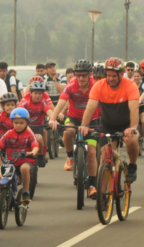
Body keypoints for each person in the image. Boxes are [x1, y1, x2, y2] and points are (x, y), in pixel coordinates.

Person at [80, 57, 139, 183]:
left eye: (114, 76)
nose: (110, 79)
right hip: (107, 125)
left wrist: (133, 127)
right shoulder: (99, 86)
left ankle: (133, 166)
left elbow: (134, 109)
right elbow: (90, 107)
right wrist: (84, 124)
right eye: (108, 75)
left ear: (121, 74)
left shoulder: (130, 85)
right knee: (105, 157)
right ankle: (102, 198)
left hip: (126, 124)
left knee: (132, 141)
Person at [49, 60, 101, 198]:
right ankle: (70, 156)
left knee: (91, 153)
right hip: (73, 117)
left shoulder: (95, 85)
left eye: (84, 75)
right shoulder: (71, 85)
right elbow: (61, 102)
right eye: (78, 75)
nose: (81, 78)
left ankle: (92, 185)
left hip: (92, 121)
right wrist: (52, 119)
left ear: (89, 74)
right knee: (68, 132)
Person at [0, 108, 39, 202]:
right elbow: (1, 143)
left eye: (21, 123)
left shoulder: (29, 134)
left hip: (25, 160)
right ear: (12, 122)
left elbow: (35, 144)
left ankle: (25, 192)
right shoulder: (9, 133)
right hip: (11, 162)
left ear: (26, 123)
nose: (18, 125)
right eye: (16, 123)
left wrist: (33, 152)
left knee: (24, 169)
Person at [0, 93, 18, 200]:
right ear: (3, 106)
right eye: (7, 105)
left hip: (15, 146)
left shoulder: (18, 116)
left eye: (12, 105)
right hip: (1, 146)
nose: (10, 107)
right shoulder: (0, 116)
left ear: (16, 105)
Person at [18, 81, 53, 168]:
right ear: (31, 93)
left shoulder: (44, 102)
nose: (38, 95)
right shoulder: (25, 102)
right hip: (26, 126)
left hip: (38, 126)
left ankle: (41, 155)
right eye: (35, 93)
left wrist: (53, 120)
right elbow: (18, 113)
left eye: (40, 93)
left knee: (39, 138)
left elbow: (50, 112)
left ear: (43, 94)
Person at [133, 70, 144, 153]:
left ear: (141, 77)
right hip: (133, 108)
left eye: (138, 76)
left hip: (142, 107)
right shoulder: (130, 85)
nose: (136, 78)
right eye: (135, 76)